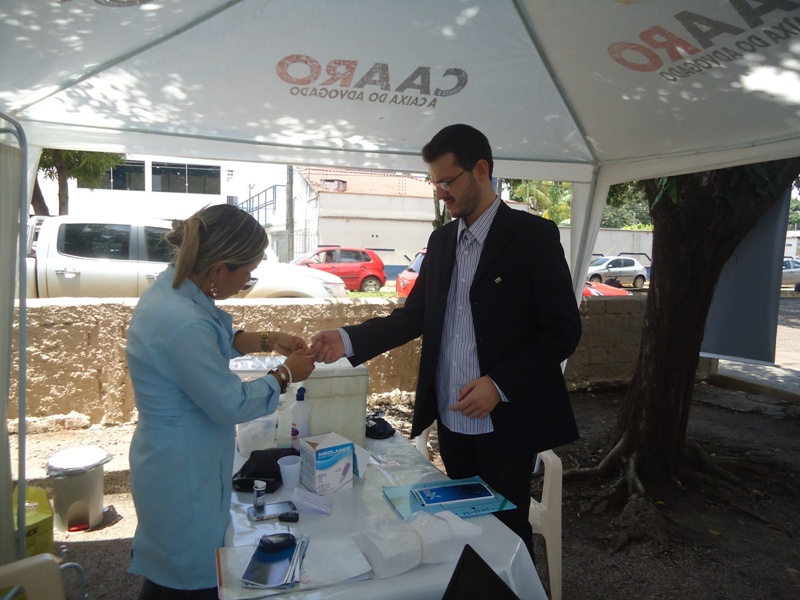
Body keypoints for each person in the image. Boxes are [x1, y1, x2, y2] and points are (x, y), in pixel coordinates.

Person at [311, 124, 582, 556]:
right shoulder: (441, 242)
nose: (441, 193)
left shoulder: (532, 236)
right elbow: (414, 316)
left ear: (481, 170)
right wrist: (346, 340)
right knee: (462, 534)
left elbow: (563, 331)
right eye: (434, 183)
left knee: (507, 537)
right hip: (451, 423)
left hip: (506, 424)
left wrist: (499, 384)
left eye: (448, 181)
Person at [125, 204, 315, 599]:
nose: (247, 281)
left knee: (173, 565)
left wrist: (266, 339)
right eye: (247, 274)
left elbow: (213, 338)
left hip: (176, 454)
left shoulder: (177, 290)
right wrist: (284, 375)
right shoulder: (182, 320)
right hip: (182, 469)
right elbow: (231, 403)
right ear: (218, 270)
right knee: (187, 575)